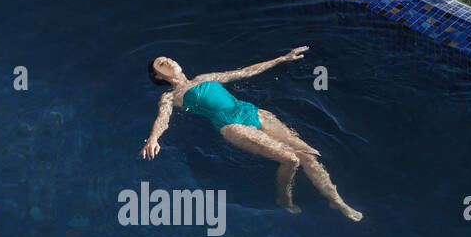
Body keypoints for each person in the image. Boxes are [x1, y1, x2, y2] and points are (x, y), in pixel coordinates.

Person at [141, 48, 362, 220]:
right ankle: (284, 197)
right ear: (159, 76)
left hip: (251, 111)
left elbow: (244, 72)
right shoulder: (171, 97)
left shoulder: (204, 77)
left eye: (168, 57)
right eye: (162, 63)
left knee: (308, 153)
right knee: (291, 159)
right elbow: (163, 118)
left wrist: (281, 59)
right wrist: (153, 138)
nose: (168, 61)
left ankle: (337, 201)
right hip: (231, 125)